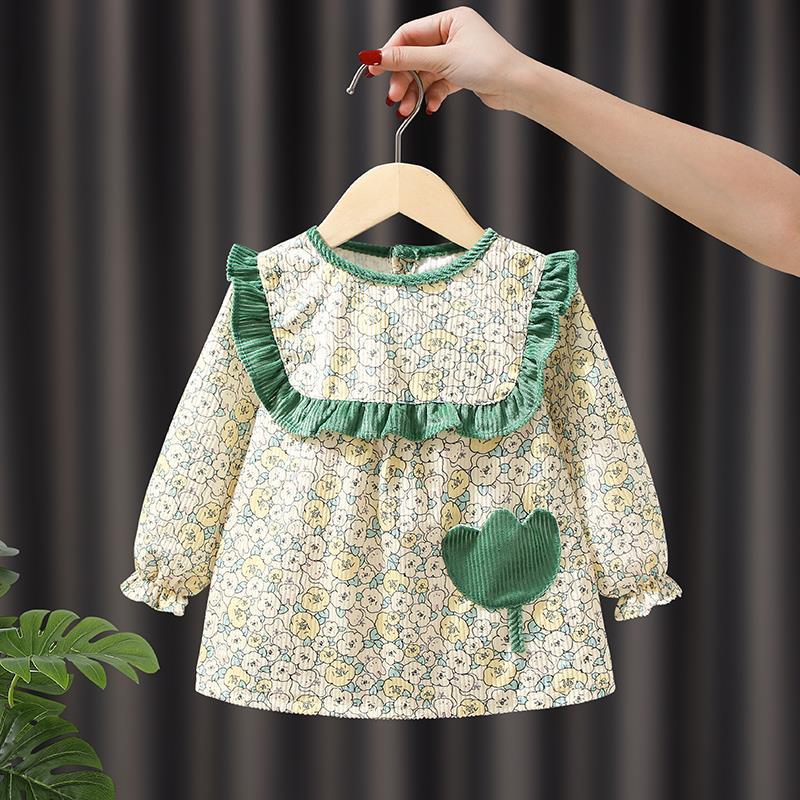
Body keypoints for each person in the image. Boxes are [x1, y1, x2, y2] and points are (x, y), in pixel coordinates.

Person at [357, 5, 800, 276]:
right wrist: (514, 81)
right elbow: (784, 223)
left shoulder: (532, 303)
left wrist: (515, 80)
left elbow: (785, 226)